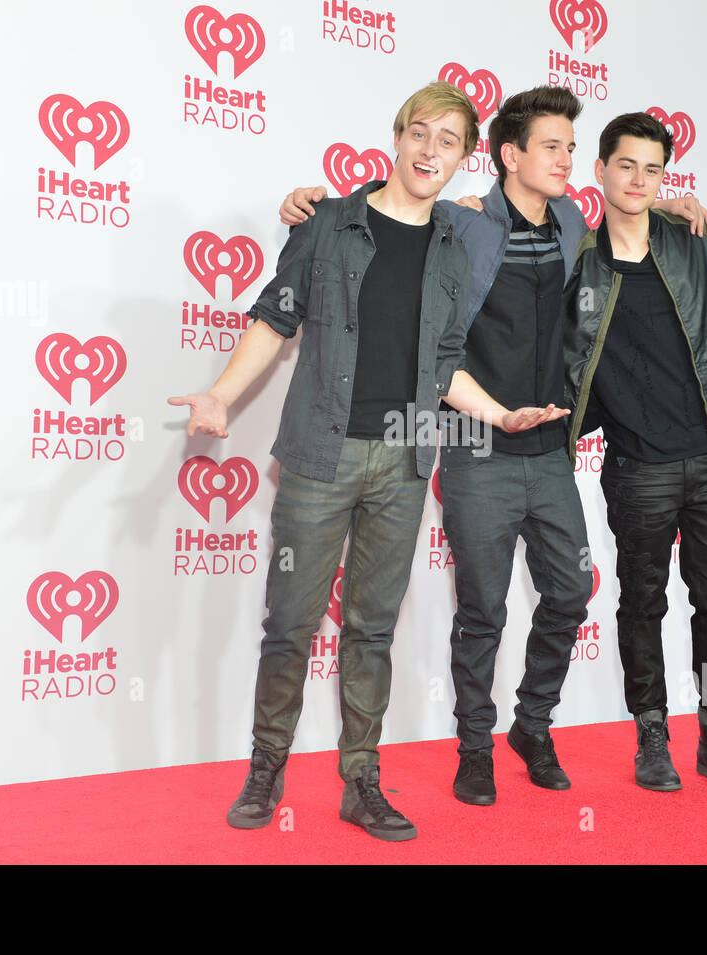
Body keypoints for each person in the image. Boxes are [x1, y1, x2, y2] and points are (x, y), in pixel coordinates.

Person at [280, 88, 707, 805]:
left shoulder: (575, 218)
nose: (567, 160)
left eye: (573, 149)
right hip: (474, 447)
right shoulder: (463, 221)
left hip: (549, 449)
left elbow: (624, 218)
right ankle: (474, 745)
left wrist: (675, 205)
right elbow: (397, 209)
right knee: (482, 609)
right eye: (553, 146)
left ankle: (532, 723)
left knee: (571, 588)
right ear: (510, 155)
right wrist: (315, 205)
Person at [169, 82, 568, 842]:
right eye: (420, 133)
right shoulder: (327, 222)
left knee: (371, 630)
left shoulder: (457, 240)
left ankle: (361, 780)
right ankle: (265, 767)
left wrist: (497, 414)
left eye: (448, 141)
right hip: (320, 455)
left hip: (406, 462)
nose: (429, 151)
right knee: (289, 624)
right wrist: (221, 395)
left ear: (461, 158)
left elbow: (445, 361)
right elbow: (273, 315)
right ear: (396, 136)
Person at [563, 112, 707, 794]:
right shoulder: (576, 255)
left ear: (664, 177)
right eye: (626, 165)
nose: (638, 180)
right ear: (600, 170)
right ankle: (651, 736)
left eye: (652, 169)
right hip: (637, 466)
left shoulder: (692, 241)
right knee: (643, 604)